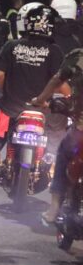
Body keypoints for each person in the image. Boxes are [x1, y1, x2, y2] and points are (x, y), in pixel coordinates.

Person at [0, 5, 64, 166]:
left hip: (12, 106)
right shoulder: (55, 51)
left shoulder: (11, 46)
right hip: (44, 108)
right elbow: (61, 83)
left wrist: (6, 92)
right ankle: (52, 158)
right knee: (61, 122)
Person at [30, 48, 83, 224]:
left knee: (63, 155)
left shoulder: (77, 57)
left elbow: (56, 80)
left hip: (80, 129)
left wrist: (40, 99)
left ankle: (53, 210)